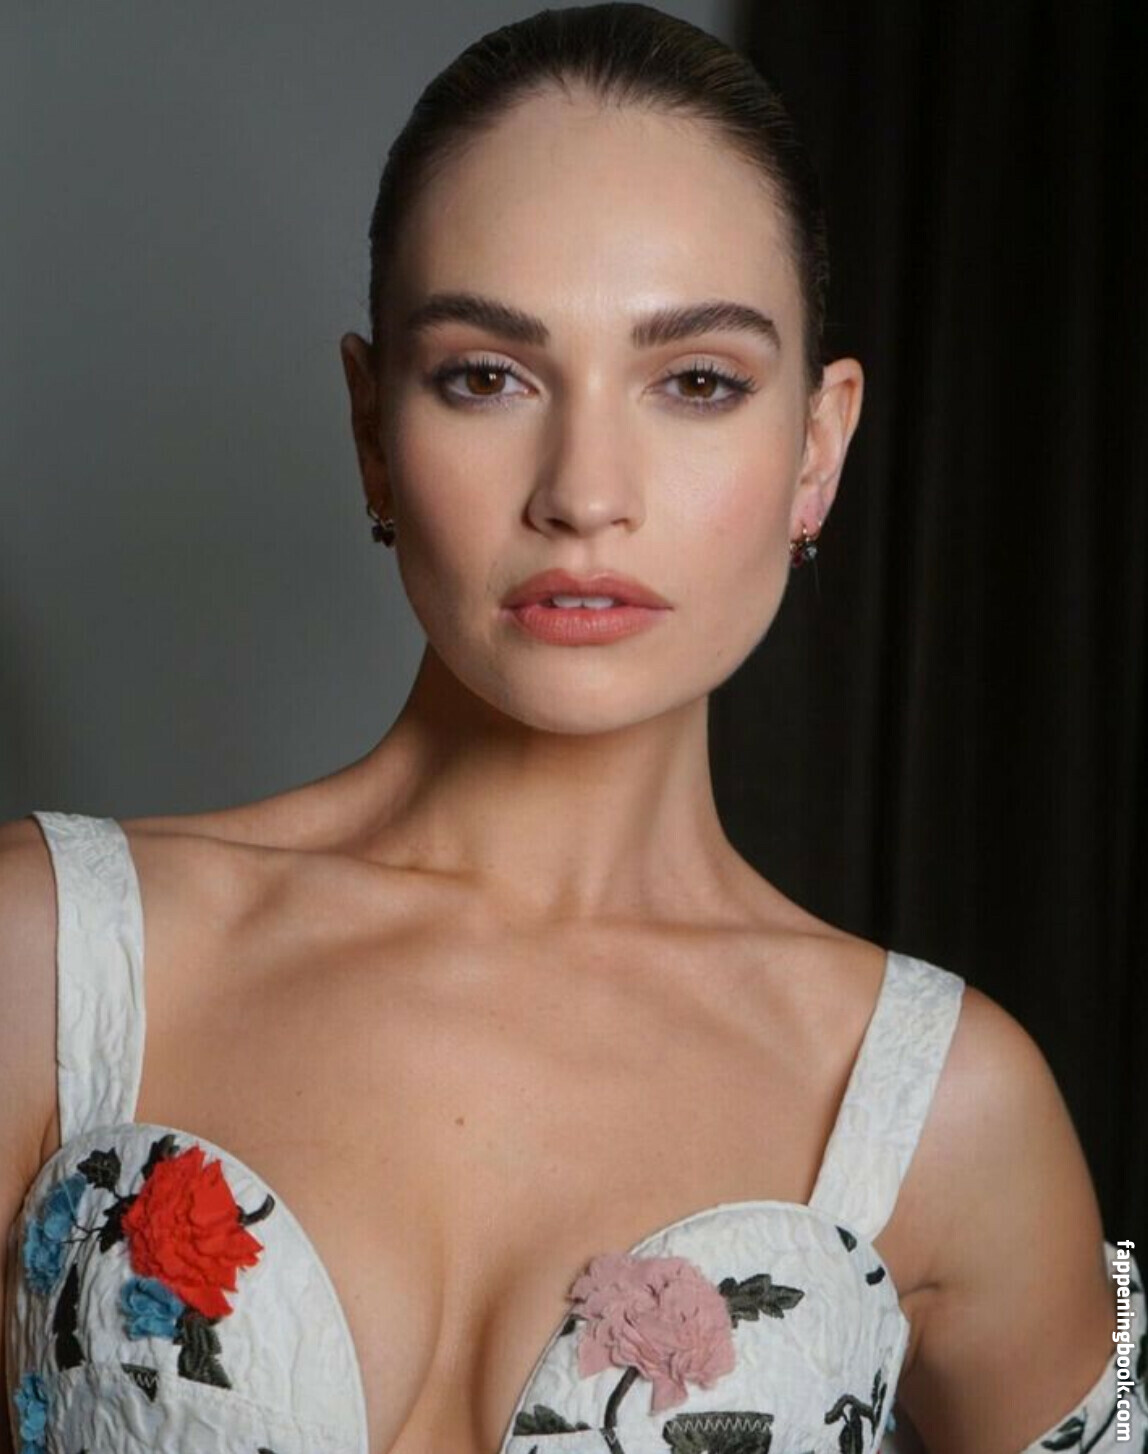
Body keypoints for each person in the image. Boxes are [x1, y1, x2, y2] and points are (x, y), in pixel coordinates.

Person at [2, 5, 1142, 1452]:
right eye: (487, 375)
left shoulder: (952, 1105)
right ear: (372, 428)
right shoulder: (50, 957)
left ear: (818, 449)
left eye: (697, 382)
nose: (585, 491)